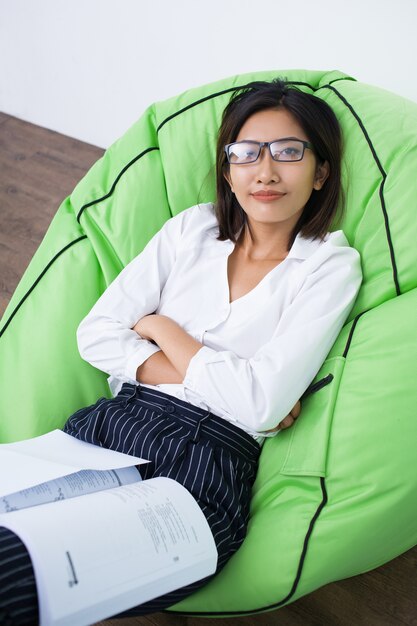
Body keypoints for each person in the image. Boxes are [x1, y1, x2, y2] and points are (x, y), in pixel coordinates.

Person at [0, 78, 362, 624]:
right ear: (227, 168)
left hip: (202, 469)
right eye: (246, 153)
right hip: (104, 428)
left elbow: (259, 405)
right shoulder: (192, 229)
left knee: (17, 577)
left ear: (322, 172)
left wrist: (163, 328)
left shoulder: (329, 266)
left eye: (290, 153)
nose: (265, 172)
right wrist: (234, 385)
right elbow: (95, 332)